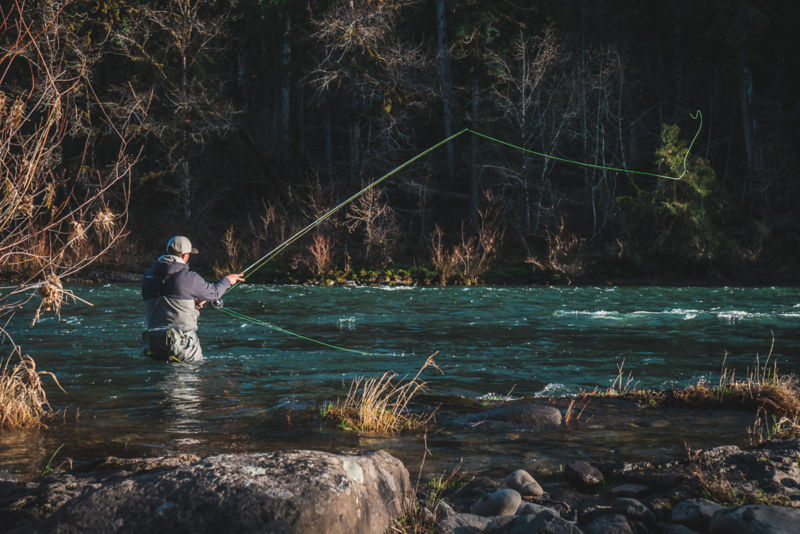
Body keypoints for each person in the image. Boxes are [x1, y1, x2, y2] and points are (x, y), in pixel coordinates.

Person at [141, 235, 244, 362]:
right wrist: (227, 280)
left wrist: (190, 302)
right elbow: (215, 293)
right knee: (190, 378)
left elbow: (165, 298)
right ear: (185, 256)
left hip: (153, 345)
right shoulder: (188, 277)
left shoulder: (148, 277)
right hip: (184, 347)